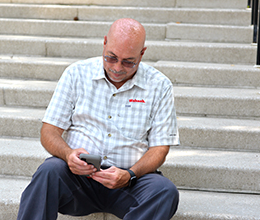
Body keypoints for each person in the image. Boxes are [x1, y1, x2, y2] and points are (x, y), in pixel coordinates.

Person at [17, 18, 180, 220]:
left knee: (164, 191)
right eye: (111, 57)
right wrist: (68, 155)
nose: (118, 67)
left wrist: (129, 174)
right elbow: (49, 131)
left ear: (142, 54)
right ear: (104, 43)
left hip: (130, 183)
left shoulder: (160, 85)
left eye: (129, 61)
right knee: (49, 170)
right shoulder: (76, 74)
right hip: (78, 181)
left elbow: (160, 148)